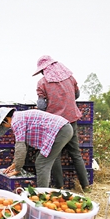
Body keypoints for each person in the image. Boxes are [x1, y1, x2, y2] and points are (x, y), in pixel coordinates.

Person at [34, 55, 90, 191]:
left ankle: (59, 186)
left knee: (55, 154)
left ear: (44, 70)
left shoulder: (42, 83)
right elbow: (77, 95)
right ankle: (86, 186)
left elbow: (41, 106)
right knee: (75, 153)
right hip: (71, 120)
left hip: (55, 124)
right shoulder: (70, 78)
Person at [0, 107, 73, 188]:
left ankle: (42, 194)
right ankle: (59, 187)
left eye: (4, 125)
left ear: (6, 119)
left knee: (41, 163)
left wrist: (17, 169)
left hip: (60, 130)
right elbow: (24, 145)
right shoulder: (19, 117)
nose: (7, 127)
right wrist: (15, 164)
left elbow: (20, 148)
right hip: (63, 128)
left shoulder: (16, 122)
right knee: (47, 158)